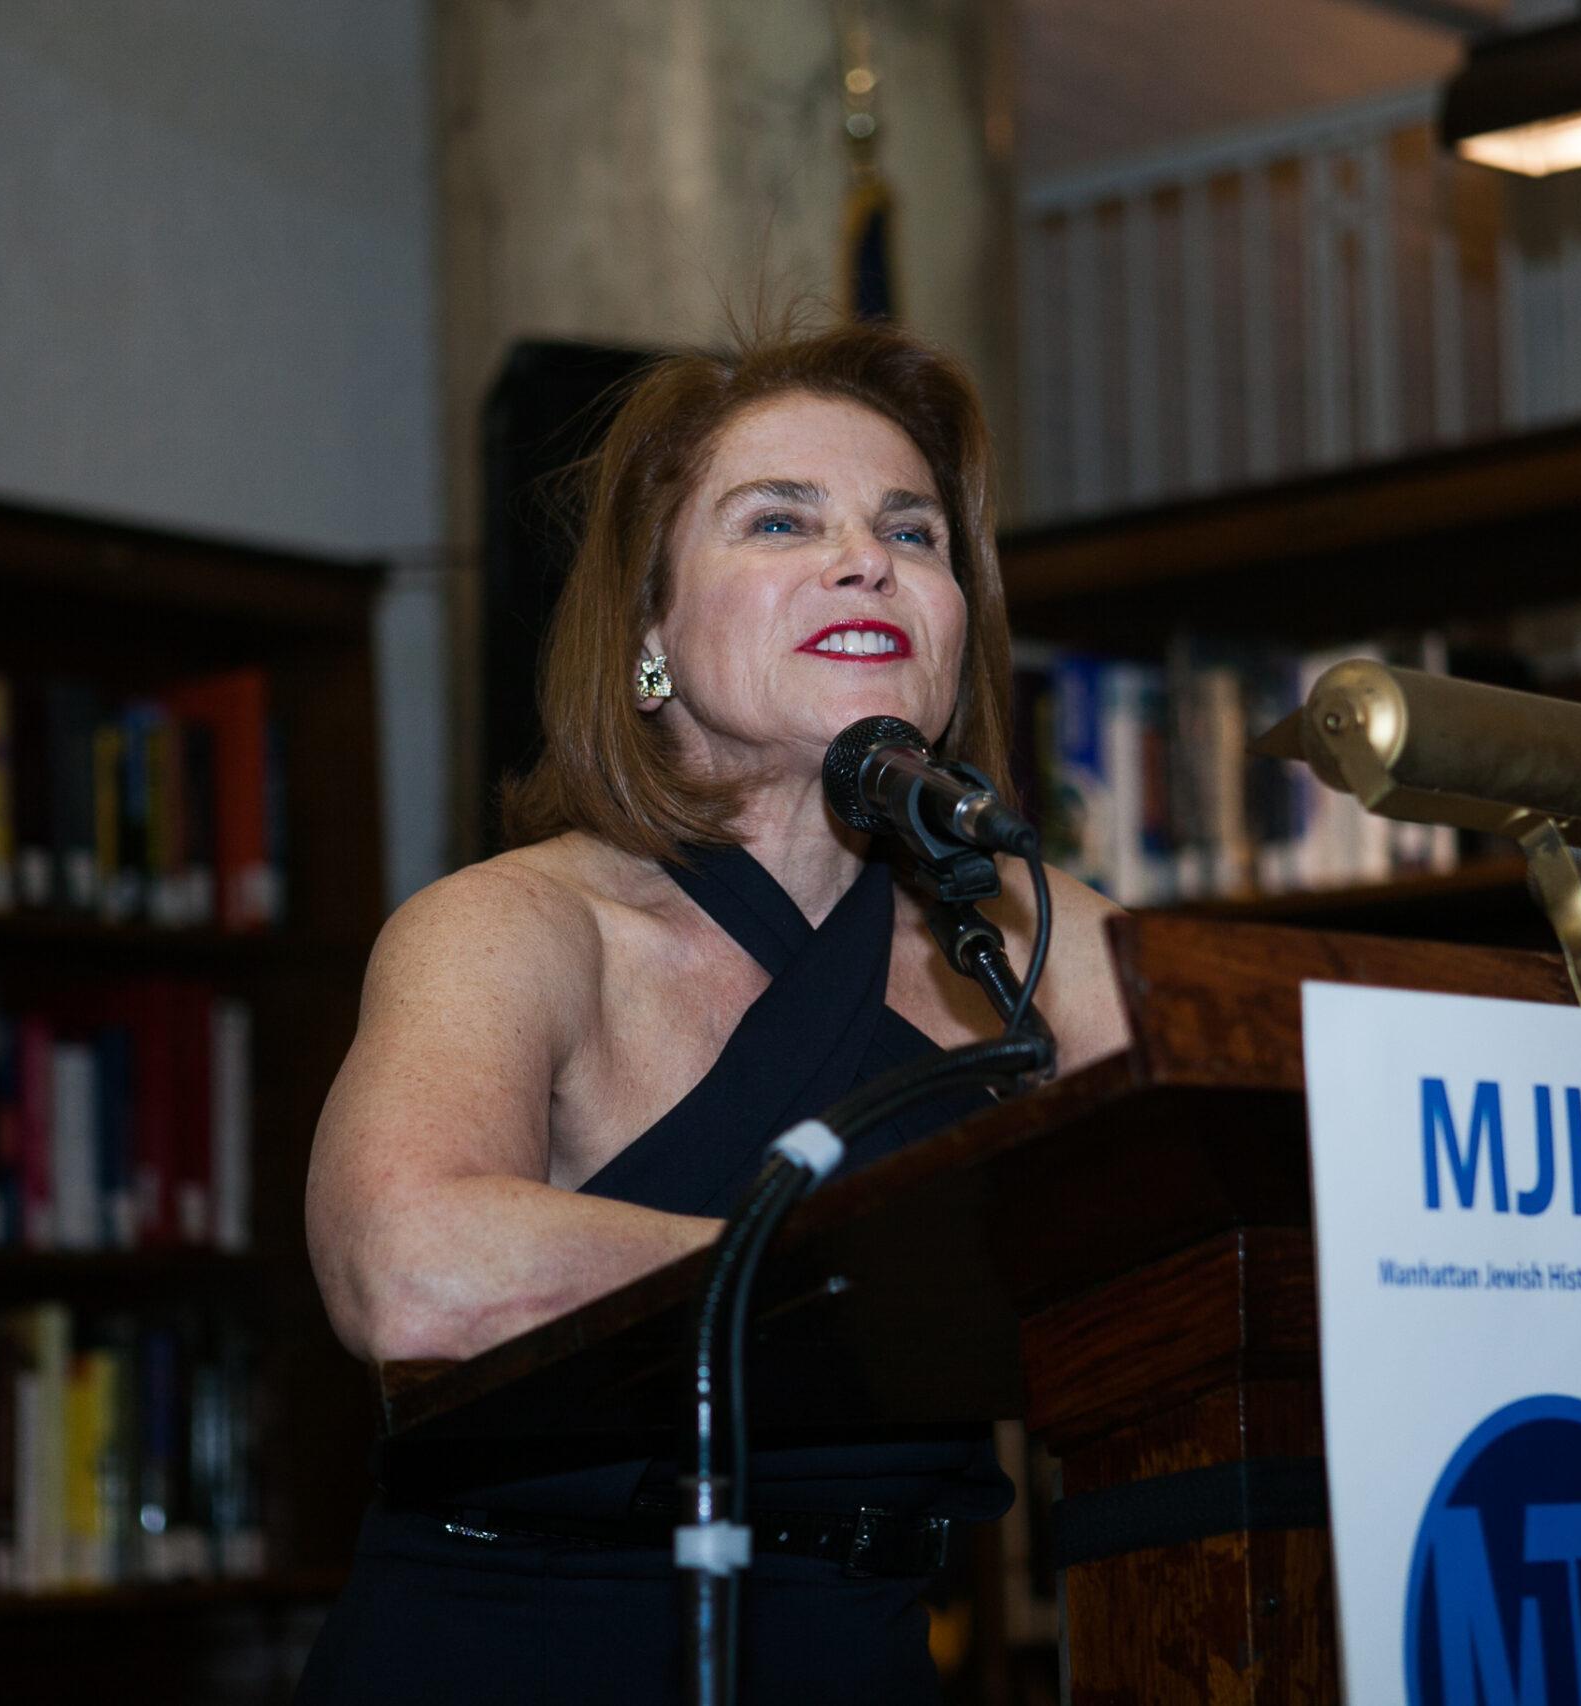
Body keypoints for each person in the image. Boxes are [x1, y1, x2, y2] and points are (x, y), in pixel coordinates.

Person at [294, 318, 1129, 1705]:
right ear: (649, 631)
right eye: (781, 520)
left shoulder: (1030, 933)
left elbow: (1284, 1160)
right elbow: (412, 1273)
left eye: (912, 532)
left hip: (865, 1655)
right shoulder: (516, 924)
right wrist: (878, 1301)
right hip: (520, 1650)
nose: (866, 560)